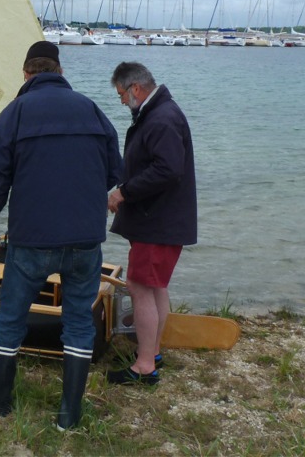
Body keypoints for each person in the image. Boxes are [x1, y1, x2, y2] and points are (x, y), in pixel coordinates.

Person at [0, 40, 122, 431]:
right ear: (59, 71)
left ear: (26, 74)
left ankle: (0, 397)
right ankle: (69, 415)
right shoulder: (92, 109)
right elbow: (113, 172)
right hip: (85, 241)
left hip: (32, 241)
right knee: (78, 322)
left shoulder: (16, 112)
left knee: (11, 319)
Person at [106, 61, 197, 385]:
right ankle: (152, 351)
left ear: (135, 89)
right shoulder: (160, 113)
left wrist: (123, 193)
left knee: (140, 287)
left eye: (120, 94)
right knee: (155, 286)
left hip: (156, 221)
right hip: (162, 220)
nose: (120, 101)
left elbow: (167, 170)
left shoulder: (161, 118)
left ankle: (144, 366)